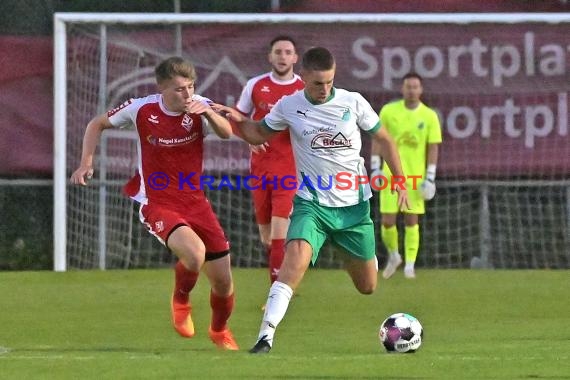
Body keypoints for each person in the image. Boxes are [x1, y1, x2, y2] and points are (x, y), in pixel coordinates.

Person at [214, 47, 410, 354]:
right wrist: (234, 118)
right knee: (292, 266)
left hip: (353, 210)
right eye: (318, 83)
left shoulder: (353, 101)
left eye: (329, 82)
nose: (324, 89)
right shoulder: (288, 105)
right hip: (311, 205)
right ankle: (265, 337)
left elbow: (384, 138)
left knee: (368, 286)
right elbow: (257, 134)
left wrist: (399, 180)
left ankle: (345, 252)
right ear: (303, 76)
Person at [70, 56, 239, 350]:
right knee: (195, 254)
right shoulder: (142, 109)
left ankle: (219, 331)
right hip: (158, 202)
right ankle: (181, 300)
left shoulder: (200, 106)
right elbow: (97, 124)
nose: (187, 94)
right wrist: (86, 162)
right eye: (179, 89)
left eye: (190, 87)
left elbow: (227, 133)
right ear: (161, 88)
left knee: (224, 283)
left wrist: (209, 113)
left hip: (196, 201)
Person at [235, 36, 304, 288]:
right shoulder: (255, 85)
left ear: (295, 58)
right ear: (270, 56)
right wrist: (248, 137)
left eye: (288, 52)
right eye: (278, 52)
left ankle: (277, 291)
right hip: (260, 170)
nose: (283, 56)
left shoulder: (305, 88)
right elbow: (236, 119)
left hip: (290, 170)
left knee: (279, 232)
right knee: (267, 236)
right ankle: (286, 276)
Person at [370, 72, 442, 279]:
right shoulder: (388, 111)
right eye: (408, 86)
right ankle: (394, 255)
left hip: (415, 178)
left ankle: (410, 265)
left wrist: (430, 176)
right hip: (391, 176)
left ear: (421, 89)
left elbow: (433, 147)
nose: (411, 90)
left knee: (412, 220)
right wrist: (375, 167)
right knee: (387, 221)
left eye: (415, 86)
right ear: (402, 89)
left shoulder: (429, 116)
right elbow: (378, 139)